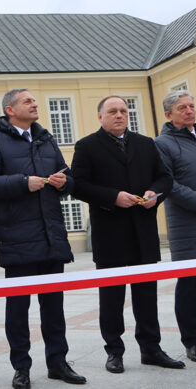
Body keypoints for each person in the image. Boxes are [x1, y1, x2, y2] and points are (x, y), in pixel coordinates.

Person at [0, 88, 86, 389]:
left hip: (51, 237)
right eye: (27, 101)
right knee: (18, 310)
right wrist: (24, 183)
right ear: (10, 110)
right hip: (17, 238)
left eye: (34, 101)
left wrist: (65, 183)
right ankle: (21, 368)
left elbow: (68, 177)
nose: (35, 104)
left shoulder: (46, 139)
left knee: (54, 308)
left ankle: (58, 364)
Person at [71, 95, 182, 373]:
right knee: (112, 297)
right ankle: (114, 351)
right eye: (112, 111)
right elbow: (78, 186)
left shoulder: (146, 144)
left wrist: (154, 194)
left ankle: (151, 348)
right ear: (101, 117)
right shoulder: (87, 146)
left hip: (143, 231)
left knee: (146, 294)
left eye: (123, 110)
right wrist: (112, 197)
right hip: (110, 233)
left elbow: (164, 178)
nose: (119, 115)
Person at [154, 90, 196, 364]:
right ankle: (193, 342)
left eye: (192, 106)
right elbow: (168, 185)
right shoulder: (163, 143)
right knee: (189, 286)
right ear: (168, 114)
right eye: (182, 107)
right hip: (187, 228)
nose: (189, 111)